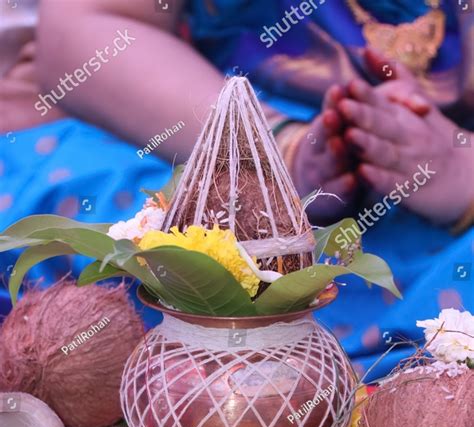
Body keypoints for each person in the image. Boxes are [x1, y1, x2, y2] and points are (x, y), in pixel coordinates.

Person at [1, 0, 473, 377]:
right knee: (110, 224)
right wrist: (272, 153)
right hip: (193, 132)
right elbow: (87, 28)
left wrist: (455, 168)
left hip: (444, 196)